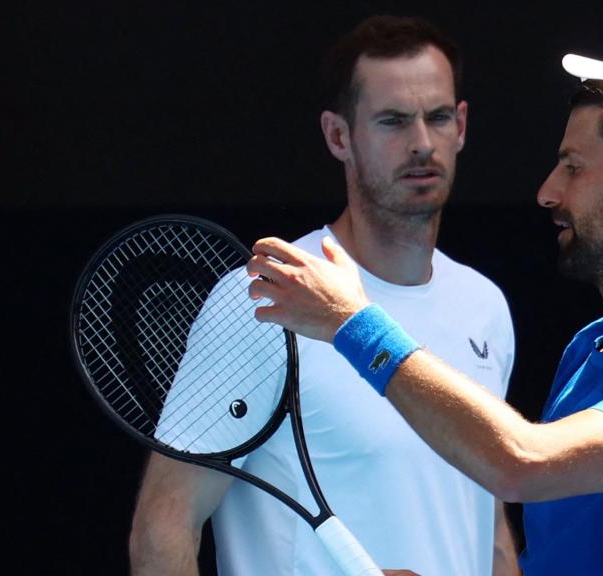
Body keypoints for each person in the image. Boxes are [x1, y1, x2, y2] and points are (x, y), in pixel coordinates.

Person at [248, 49, 603, 575]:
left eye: (572, 167)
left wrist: (351, 321)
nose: (546, 192)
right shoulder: (587, 350)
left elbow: (521, 463)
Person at [128, 15, 520, 576]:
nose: (421, 144)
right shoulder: (266, 295)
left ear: (461, 125)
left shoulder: (485, 306)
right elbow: (164, 528)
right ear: (339, 136)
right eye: (392, 121)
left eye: (437, 118)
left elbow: (487, 522)